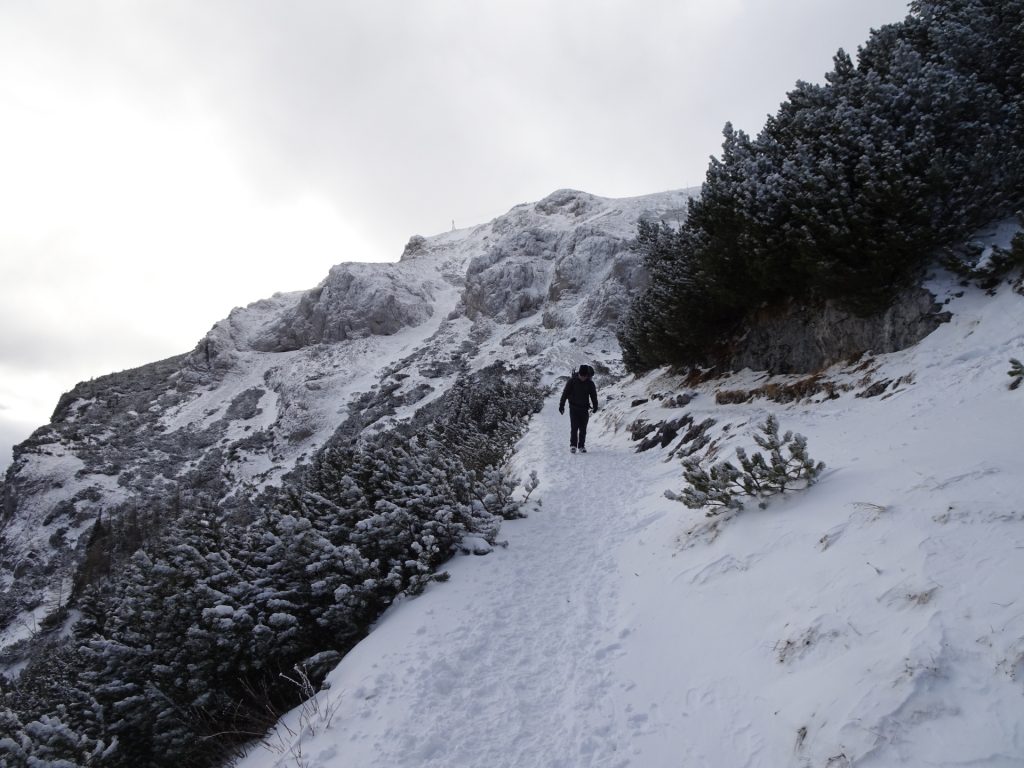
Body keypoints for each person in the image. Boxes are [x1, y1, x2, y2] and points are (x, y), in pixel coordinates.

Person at [559, 364, 598, 453]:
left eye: (585, 376)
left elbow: (593, 395)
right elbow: (565, 393)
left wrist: (595, 405)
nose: (583, 378)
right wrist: (561, 405)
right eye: (581, 376)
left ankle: (581, 446)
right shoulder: (572, 381)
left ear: (587, 375)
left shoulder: (590, 383)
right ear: (579, 374)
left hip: (584, 408)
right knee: (574, 427)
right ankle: (573, 445)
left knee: (583, 428)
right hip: (573, 408)